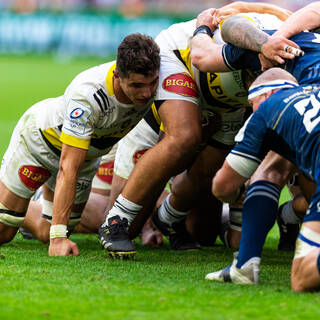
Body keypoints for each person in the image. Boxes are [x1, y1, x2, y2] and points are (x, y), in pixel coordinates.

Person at [98, 2, 292, 259]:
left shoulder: (300, 62)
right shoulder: (242, 46)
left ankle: (169, 217)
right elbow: (205, 50)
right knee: (185, 136)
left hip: (227, 99)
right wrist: (206, 25)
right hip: (184, 58)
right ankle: (116, 221)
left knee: (209, 170)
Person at [190, 4, 320, 280]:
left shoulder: (259, 47)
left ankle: (246, 265)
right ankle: (288, 220)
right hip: (305, 94)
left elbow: (203, 54)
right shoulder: (298, 33)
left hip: (307, 100)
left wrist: (204, 26)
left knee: (270, 168)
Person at [0, 33, 160, 256]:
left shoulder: (159, 84)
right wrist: (59, 240)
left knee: (47, 231)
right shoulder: (88, 94)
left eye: (151, 83)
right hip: (40, 145)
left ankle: (31, 199)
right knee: (4, 230)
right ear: (117, 75)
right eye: (137, 85)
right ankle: (12, 205)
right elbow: (68, 167)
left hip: (85, 157)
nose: (147, 93)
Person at [206, 68, 320, 292]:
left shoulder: (267, 109)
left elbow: (222, 186)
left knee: (302, 278)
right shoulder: (312, 92)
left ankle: (245, 265)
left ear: (268, 94)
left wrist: (237, 196)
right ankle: (244, 266)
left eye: (252, 103)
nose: (252, 111)